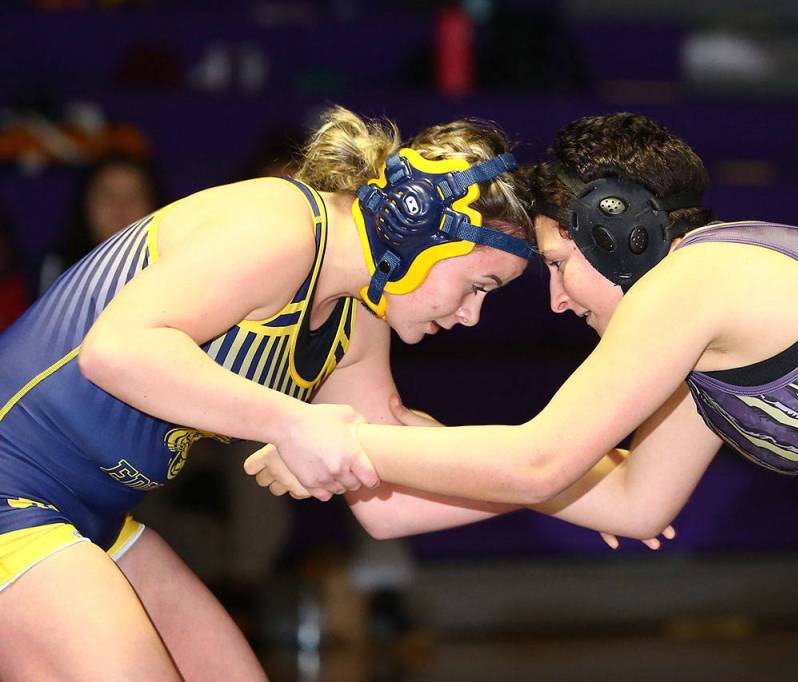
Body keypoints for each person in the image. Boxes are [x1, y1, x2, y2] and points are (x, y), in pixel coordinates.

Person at [252, 112, 798, 681]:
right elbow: (632, 503)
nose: (556, 301)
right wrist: (395, 444)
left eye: (557, 264)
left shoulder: (697, 278)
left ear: (619, 232)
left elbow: (536, 462)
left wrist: (340, 439)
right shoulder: (713, 333)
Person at [0, 105, 621, 680]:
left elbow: (387, 498)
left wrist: (559, 478)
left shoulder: (357, 317)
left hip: (90, 516)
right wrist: (294, 422)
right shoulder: (281, 226)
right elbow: (119, 350)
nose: (471, 317)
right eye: (480, 285)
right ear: (426, 228)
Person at [38, 154, 162, 294]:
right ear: (85, 203)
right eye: (108, 195)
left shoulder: (172, 263)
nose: (121, 206)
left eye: (134, 195)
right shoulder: (58, 267)